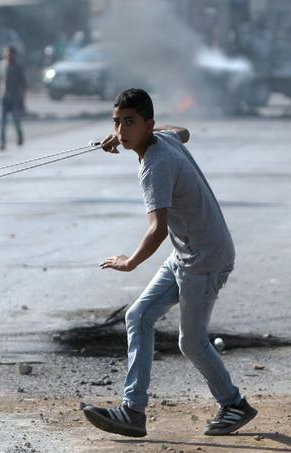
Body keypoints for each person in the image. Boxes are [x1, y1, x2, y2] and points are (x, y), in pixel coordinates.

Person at [82, 89, 256, 437]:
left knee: (190, 343)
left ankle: (234, 404)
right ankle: (133, 411)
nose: (121, 131)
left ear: (147, 124)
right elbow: (185, 132)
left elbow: (157, 229)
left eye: (130, 123)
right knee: (138, 316)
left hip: (205, 259)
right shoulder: (163, 138)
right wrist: (136, 131)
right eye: (117, 123)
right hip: (187, 253)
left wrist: (129, 263)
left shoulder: (154, 167)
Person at [0, 46, 26, 150]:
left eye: (10, 54)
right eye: (6, 54)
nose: (8, 56)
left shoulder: (18, 66)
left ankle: (20, 136)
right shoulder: (0, 65)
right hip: (3, 96)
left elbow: (23, 83)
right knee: (2, 122)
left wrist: (22, 97)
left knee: (16, 120)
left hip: (14, 97)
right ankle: (2, 143)